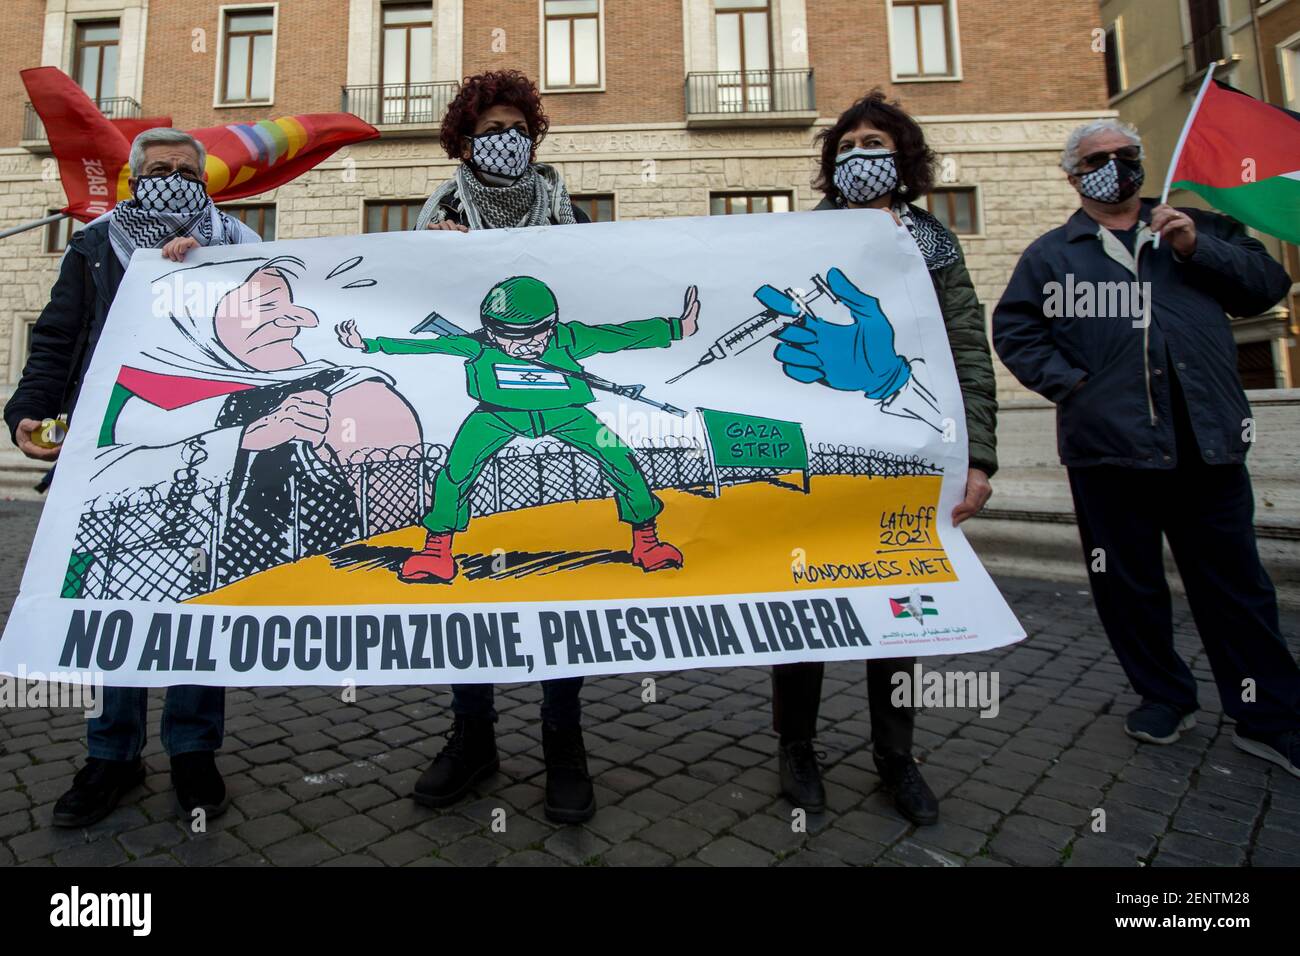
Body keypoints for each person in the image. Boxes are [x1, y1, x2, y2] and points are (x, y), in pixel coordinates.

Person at [993, 118, 1299, 777]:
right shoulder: (1053, 254)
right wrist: (1075, 387)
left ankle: (1267, 715)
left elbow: (1268, 286)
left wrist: (1197, 248)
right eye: (1097, 160)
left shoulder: (1197, 229)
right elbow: (1016, 332)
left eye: (1125, 155)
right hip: (1108, 453)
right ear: (1073, 178)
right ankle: (1163, 696)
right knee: (1127, 588)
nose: (1114, 167)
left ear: (1141, 159)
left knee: (1236, 588)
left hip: (1206, 447)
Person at [3, 128, 261, 826]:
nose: (172, 178)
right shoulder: (96, 246)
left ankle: (191, 750)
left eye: (185, 169)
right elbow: (58, 336)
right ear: (133, 178)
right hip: (110, 452)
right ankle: (110, 754)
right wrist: (29, 408)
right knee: (114, 608)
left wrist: (198, 273)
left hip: (210, 449)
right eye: (158, 170)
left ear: (205, 180)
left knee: (199, 610)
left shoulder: (239, 243)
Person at [768, 90, 1000, 825]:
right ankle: (796, 745)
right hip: (818, 455)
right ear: (832, 165)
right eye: (849, 146)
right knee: (805, 601)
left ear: (903, 159)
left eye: (877, 144)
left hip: (906, 448)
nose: (862, 156)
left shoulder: (931, 243)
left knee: (898, 609)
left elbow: (967, 345)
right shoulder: (802, 241)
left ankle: (895, 754)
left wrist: (979, 458)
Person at [401, 71, 606, 823]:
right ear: (463, 138)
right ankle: (473, 736)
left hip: (557, 409)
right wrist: (431, 256)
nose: (504, 139)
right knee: (476, 583)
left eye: (516, 126)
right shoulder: (438, 214)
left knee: (558, 575)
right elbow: (417, 306)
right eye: (489, 129)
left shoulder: (571, 215)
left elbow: (603, 295)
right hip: (484, 405)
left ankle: (564, 745)